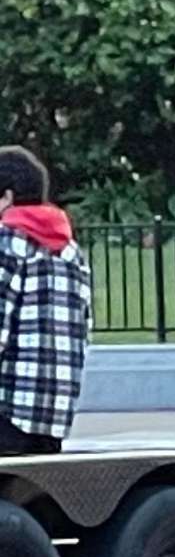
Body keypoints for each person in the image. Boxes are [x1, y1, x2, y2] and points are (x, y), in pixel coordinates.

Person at [0, 147, 92, 456]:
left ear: (7, 198)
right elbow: (84, 330)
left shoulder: (6, 241)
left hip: (8, 409)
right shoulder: (71, 253)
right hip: (53, 414)